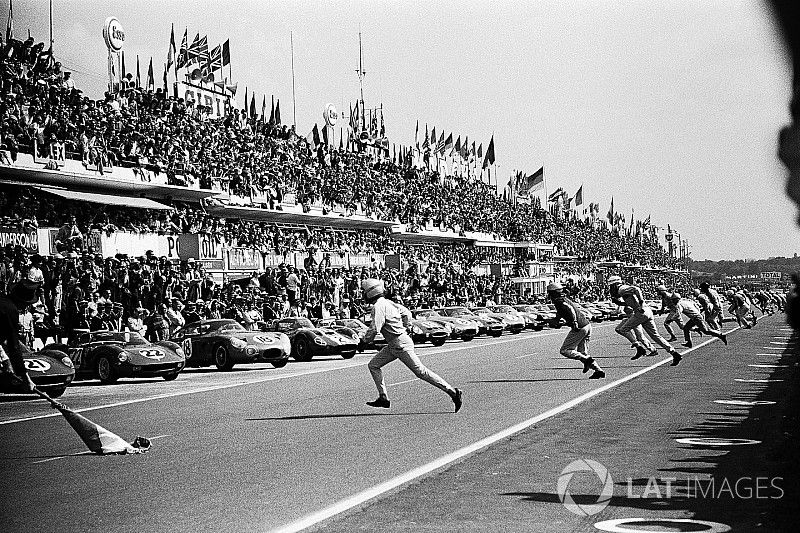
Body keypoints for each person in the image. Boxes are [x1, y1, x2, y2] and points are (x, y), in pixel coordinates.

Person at [360, 278, 462, 412]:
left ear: (371, 292)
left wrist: (364, 341)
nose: (363, 294)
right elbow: (407, 313)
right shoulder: (388, 303)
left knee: (421, 372)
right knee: (373, 365)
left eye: (364, 291)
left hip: (399, 344)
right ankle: (383, 397)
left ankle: (453, 392)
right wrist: (405, 327)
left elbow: (374, 328)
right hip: (397, 343)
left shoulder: (378, 307)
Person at [608, 275, 682, 366]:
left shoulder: (622, 289)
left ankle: (639, 347)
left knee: (621, 329)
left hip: (640, 312)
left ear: (615, 284)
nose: (611, 288)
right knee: (655, 336)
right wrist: (620, 303)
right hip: (647, 311)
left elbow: (637, 289)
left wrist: (641, 302)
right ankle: (674, 353)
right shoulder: (623, 291)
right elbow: (631, 300)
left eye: (611, 286)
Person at [547, 282, 605, 379]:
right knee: (582, 352)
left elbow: (569, 309)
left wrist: (574, 322)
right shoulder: (564, 299)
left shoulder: (560, 301)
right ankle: (598, 370)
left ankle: (587, 360)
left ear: (553, 292)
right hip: (587, 325)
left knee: (565, 350)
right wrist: (552, 321)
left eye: (550, 293)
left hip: (579, 327)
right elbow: (560, 315)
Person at [0, 280, 40, 392]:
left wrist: (5, 361)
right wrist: (25, 378)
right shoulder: (10, 311)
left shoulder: (3, 301)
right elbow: (14, 346)